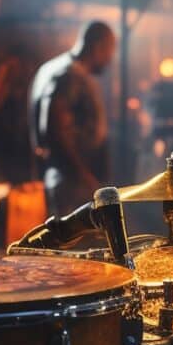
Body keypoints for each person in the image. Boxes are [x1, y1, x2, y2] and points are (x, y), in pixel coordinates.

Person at [29, 21, 116, 215]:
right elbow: (54, 128)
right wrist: (83, 175)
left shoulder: (52, 69)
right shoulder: (69, 75)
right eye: (110, 50)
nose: (111, 58)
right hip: (70, 184)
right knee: (73, 242)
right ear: (98, 46)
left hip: (65, 180)